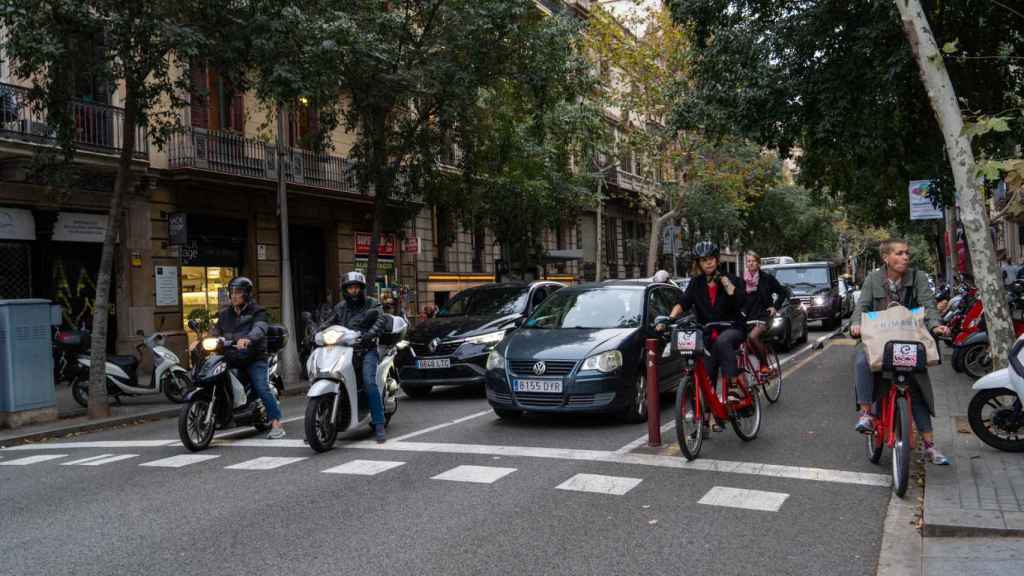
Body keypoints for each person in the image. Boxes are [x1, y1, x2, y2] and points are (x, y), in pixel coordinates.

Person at [850, 239, 951, 465]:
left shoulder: (918, 278)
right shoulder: (873, 279)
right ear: (886, 258)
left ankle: (929, 446)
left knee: (917, 387)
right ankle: (866, 413)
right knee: (861, 362)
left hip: (909, 340)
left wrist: (936, 325)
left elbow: (929, 307)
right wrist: (856, 325)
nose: (906, 257)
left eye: (907, 253)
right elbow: (861, 308)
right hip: (877, 341)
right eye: (899, 253)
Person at [663, 241, 746, 430]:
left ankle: (733, 386)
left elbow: (738, 300)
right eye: (703, 260)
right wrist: (669, 318)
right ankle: (709, 418)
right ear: (699, 263)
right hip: (707, 334)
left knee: (724, 342)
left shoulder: (730, 279)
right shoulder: (696, 283)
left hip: (731, 328)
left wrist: (724, 282)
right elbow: (682, 302)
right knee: (705, 377)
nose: (708, 263)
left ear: (717, 260)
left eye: (711, 259)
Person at [210, 277, 285, 439]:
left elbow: (260, 328)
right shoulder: (225, 314)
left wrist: (249, 339)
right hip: (231, 356)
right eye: (232, 292)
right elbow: (216, 331)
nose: (234, 296)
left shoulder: (257, 311)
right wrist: (205, 341)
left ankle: (276, 424)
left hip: (254, 357)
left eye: (238, 292)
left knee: (261, 387)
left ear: (247, 294)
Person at [326, 271, 389, 443]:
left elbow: (380, 320)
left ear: (362, 289)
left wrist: (370, 334)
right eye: (350, 288)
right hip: (343, 350)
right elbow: (329, 322)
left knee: (369, 381)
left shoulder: (372, 304)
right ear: (345, 290)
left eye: (356, 288)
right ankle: (320, 424)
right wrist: (316, 333)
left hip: (366, 349)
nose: (353, 291)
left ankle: (378, 423)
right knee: (328, 375)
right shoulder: (340, 307)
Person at [742, 252, 790, 376]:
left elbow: (783, 292)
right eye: (748, 261)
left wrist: (775, 307)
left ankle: (764, 364)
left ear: (758, 263)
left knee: (753, 337)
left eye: (753, 261)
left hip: (764, 316)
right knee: (745, 342)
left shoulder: (767, 278)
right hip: (748, 316)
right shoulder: (742, 280)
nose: (751, 263)